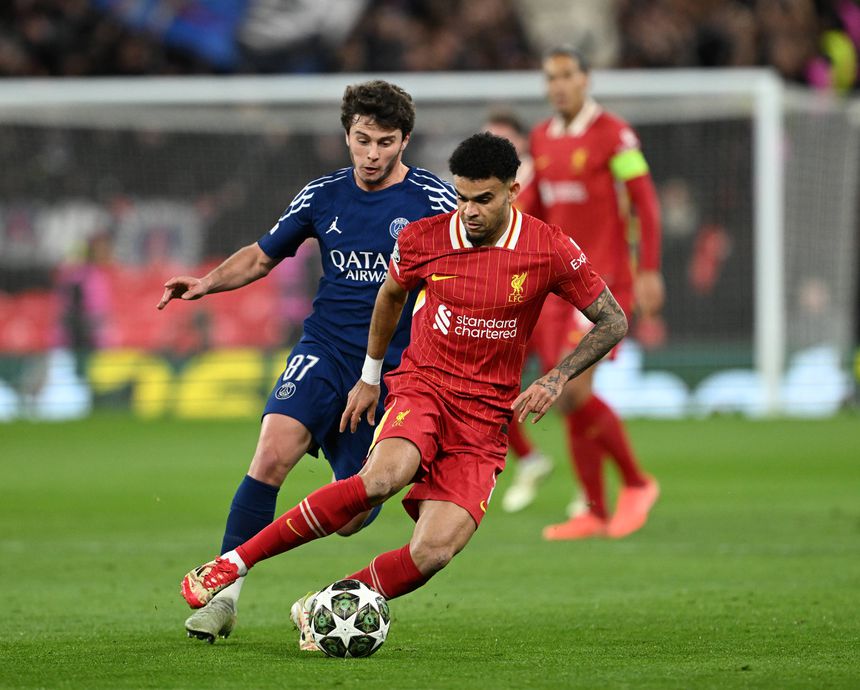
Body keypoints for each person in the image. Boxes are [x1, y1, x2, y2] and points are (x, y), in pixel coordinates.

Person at [177, 132, 628, 624]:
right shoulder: (424, 237)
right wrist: (371, 376)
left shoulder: (548, 247)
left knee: (434, 551)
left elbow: (613, 320)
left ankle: (326, 605)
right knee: (379, 479)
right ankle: (233, 563)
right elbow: (391, 295)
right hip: (423, 387)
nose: (470, 211)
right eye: (462, 197)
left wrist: (556, 378)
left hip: (484, 420)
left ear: (512, 191)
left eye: (483, 199)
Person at [157, 80, 456, 644]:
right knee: (271, 454)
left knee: (352, 516)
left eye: (384, 142)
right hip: (323, 350)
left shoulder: (434, 201)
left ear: (404, 141)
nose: (372, 154)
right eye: (362, 140)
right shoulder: (321, 194)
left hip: (393, 372)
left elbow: (475, 263)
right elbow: (261, 256)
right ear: (347, 136)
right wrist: (206, 283)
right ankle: (223, 598)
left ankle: (364, 495)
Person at [504, 45, 664, 539]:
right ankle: (593, 511)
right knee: (568, 399)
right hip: (557, 288)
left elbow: (645, 203)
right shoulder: (540, 138)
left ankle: (637, 483)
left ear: (585, 79)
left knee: (570, 388)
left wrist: (649, 269)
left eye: (567, 75)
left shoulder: (615, 135)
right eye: (550, 77)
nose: (558, 86)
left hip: (603, 284)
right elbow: (534, 209)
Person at [482, 109, 553, 513]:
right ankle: (528, 459)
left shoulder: (541, 178)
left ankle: (596, 489)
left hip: (548, 301)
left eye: (503, 139)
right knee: (491, 387)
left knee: (573, 393)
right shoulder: (485, 192)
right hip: (511, 301)